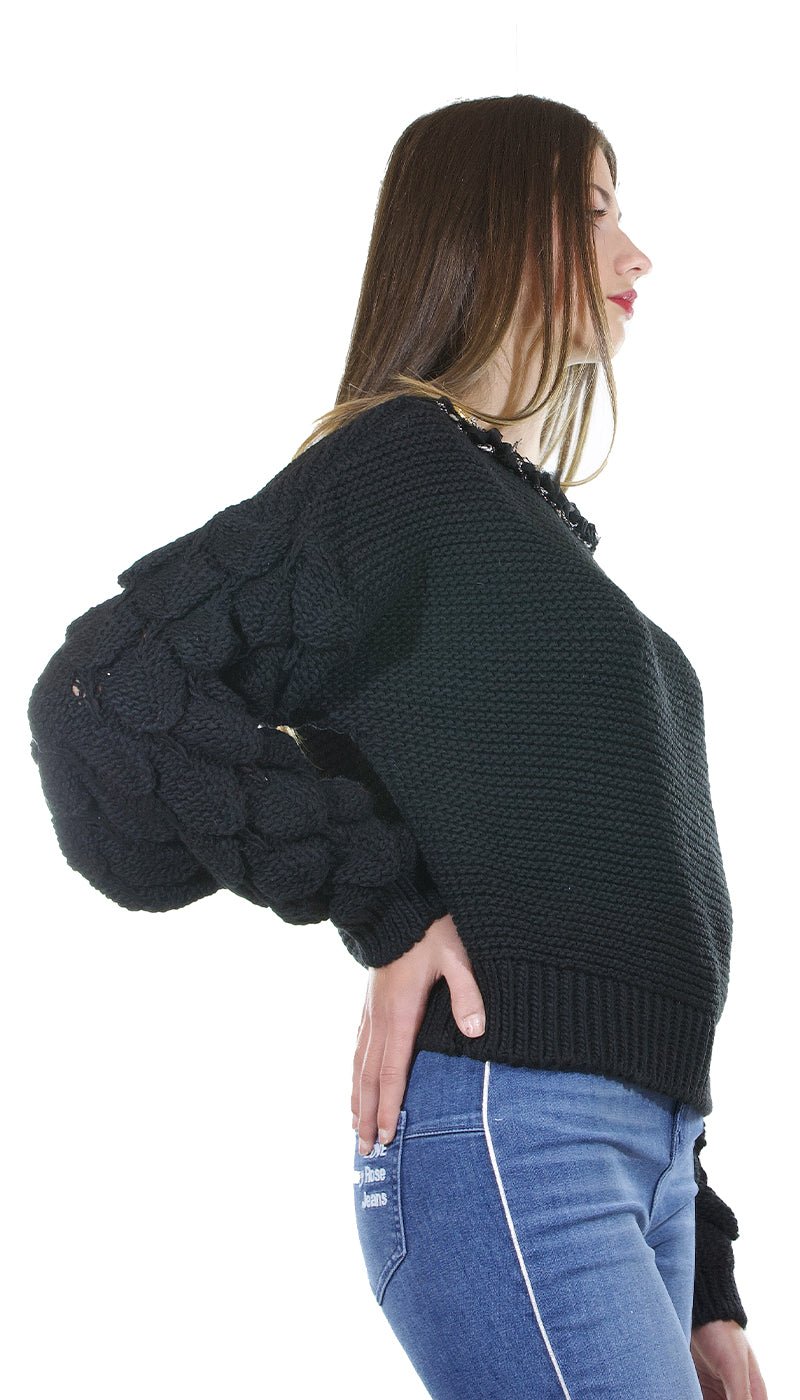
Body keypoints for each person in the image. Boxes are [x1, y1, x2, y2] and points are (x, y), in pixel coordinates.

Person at [27, 94, 766, 1398]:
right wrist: (384, 904)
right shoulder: (398, 471)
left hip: (637, 1161)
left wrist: (702, 1271)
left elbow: (616, 913)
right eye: (591, 212)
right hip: (516, 1139)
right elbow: (105, 688)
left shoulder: (520, 527)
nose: (635, 253)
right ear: (488, 226)